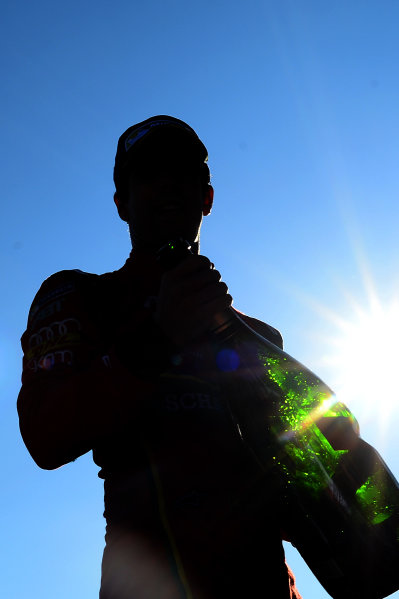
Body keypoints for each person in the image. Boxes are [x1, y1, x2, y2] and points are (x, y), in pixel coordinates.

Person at [17, 116, 302, 598]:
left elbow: (302, 492)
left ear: (206, 197)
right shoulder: (78, 296)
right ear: (122, 204)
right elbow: (44, 435)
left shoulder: (260, 338)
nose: (167, 183)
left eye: (183, 171)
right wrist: (159, 337)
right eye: (148, 173)